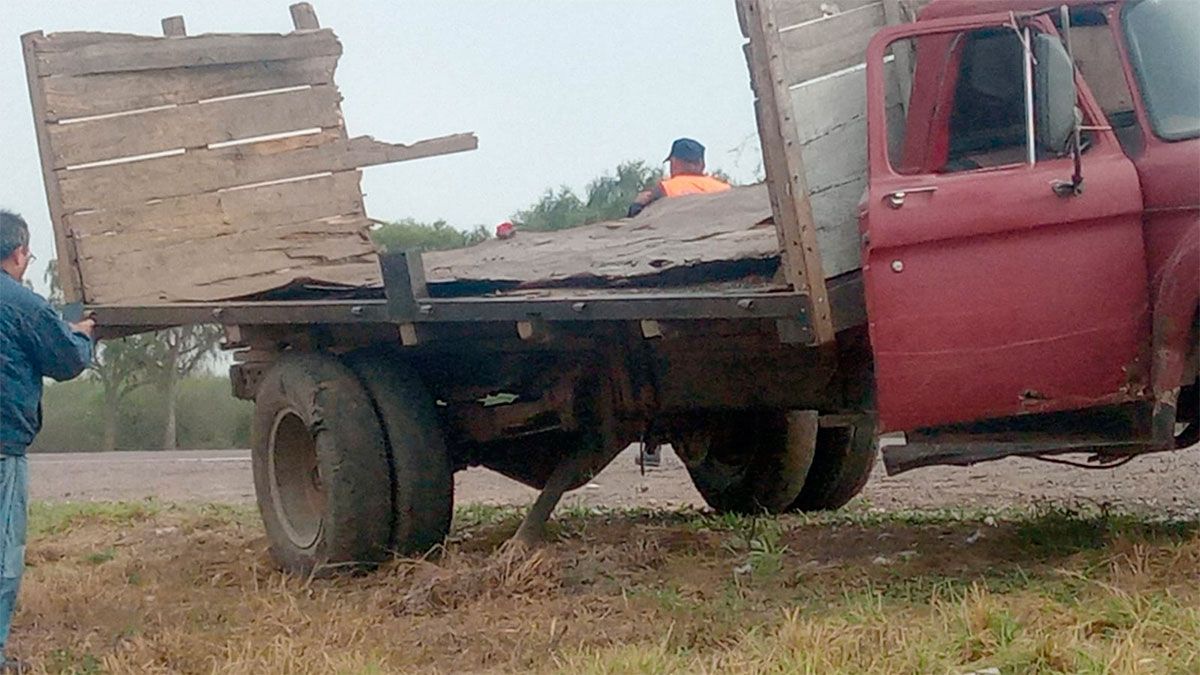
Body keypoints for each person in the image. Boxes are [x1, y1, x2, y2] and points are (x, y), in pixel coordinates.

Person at [0, 210, 94, 672]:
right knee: (1, 559)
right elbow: (65, 359)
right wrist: (83, 336)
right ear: (18, 253)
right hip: (2, 449)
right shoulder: (23, 303)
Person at [627, 138, 732, 217]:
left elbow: (636, 220)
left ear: (675, 162)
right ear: (702, 164)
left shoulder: (666, 188)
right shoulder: (725, 189)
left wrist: (637, 204)